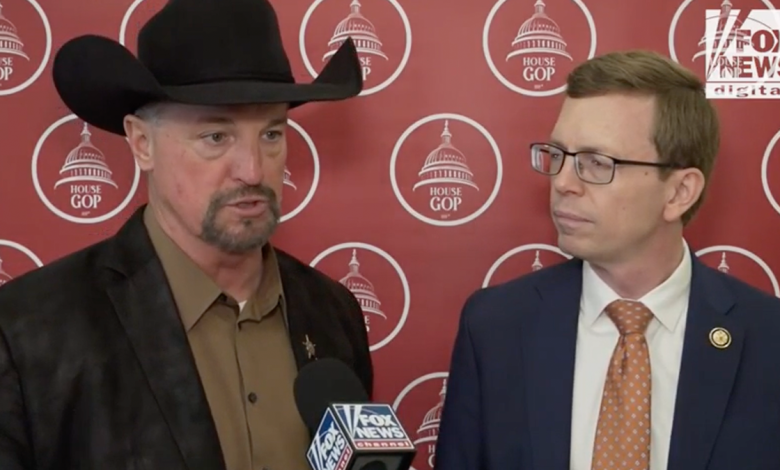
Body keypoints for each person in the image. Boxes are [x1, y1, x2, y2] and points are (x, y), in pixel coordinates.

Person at [0, 0, 373, 469]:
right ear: (141, 143)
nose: (253, 169)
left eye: (272, 134)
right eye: (216, 137)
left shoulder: (334, 315)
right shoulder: (29, 333)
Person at [434, 50, 780, 470]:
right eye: (558, 155)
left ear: (678, 192)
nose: (562, 183)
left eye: (596, 163)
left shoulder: (768, 340)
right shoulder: (495, 327)